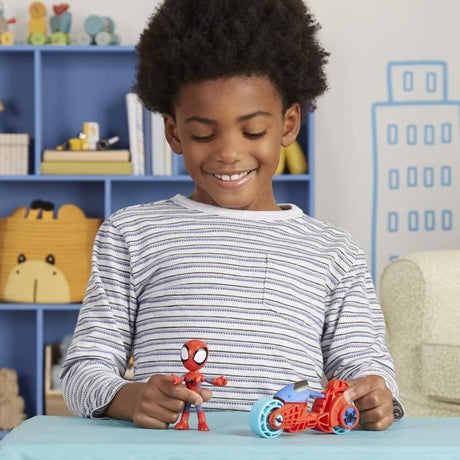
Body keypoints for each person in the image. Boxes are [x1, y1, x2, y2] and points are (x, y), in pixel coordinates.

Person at [61, 0, 403, 432]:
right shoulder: (131, 234)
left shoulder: (334, 251)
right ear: (174, 132)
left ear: (288, 125)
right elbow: (81, 372)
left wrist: (375, 397)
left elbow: (367, 367)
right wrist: (129, 398)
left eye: (253, 131)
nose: (228, 152)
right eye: (203, 134)